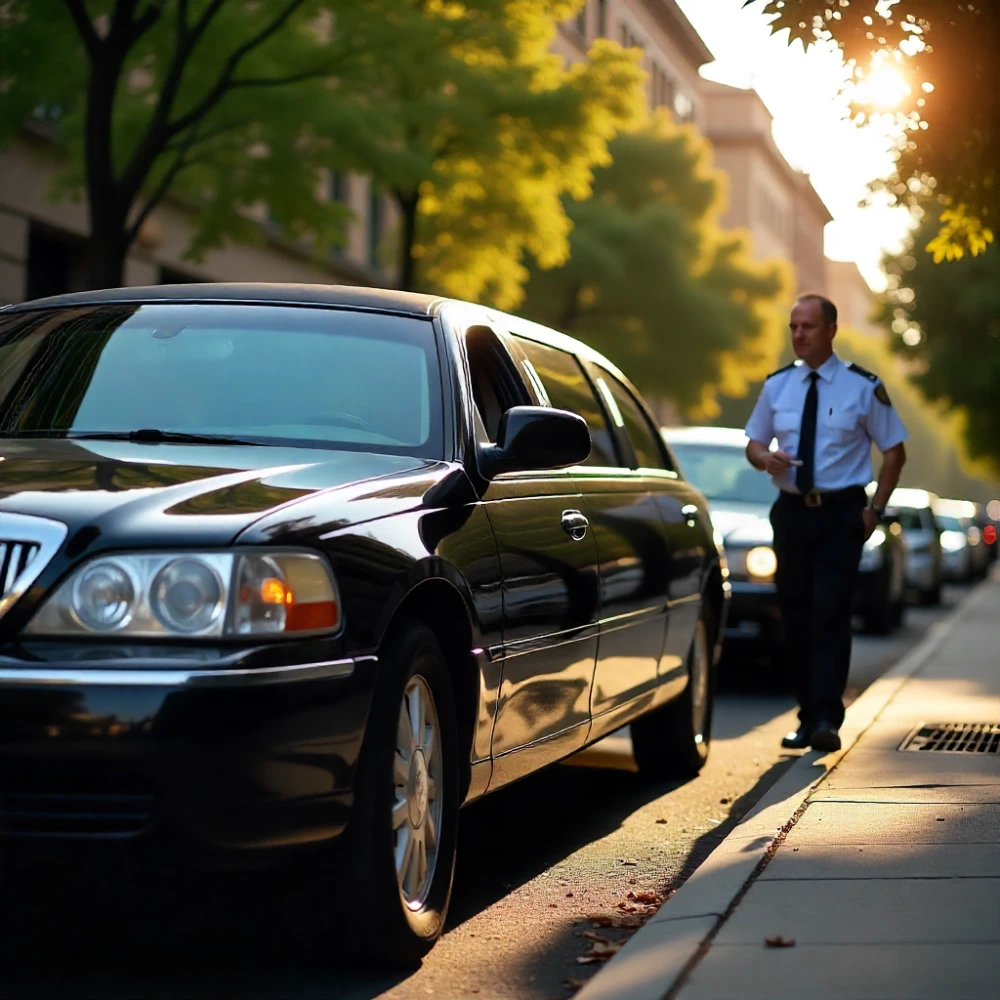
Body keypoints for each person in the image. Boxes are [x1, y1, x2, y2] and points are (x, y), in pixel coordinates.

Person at [744, 293, 907, 752]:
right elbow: (753, 443)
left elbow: (894, 451)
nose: (798, 334)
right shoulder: (778, 386)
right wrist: (766, 458)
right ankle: (805, 715)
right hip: (791, 513)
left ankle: (827, 719)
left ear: (831, 330)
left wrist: (875, 509)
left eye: (808, 327)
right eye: (793, 326)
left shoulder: (862, 386)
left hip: (841, 514)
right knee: (794, 614)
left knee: (830, 611)